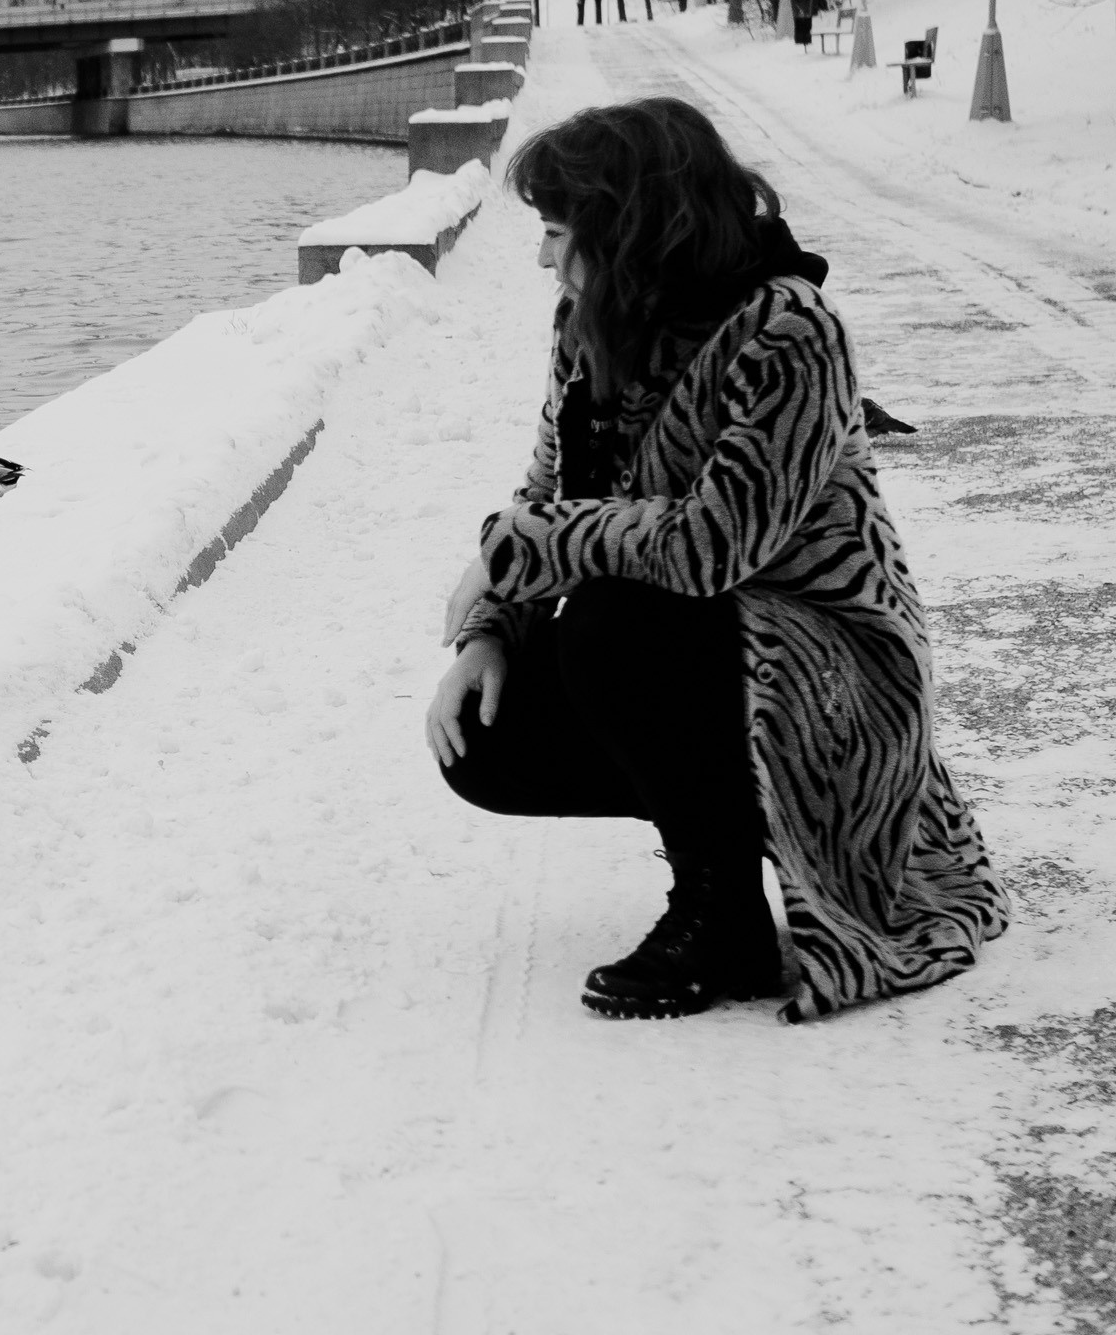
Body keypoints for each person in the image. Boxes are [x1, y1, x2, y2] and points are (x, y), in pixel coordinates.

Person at [426, 97, 1006, 1023]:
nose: (543, 259)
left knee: (618, 623)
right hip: (708, 653)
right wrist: (494, 630)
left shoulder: (788, 329)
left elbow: (712, 546)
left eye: (557, 233)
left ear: (631, 234)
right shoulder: (595, 323)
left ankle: (722, 917)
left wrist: (514, 553)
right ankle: (725, 841)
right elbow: (548, 492)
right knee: (488, 742)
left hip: (826, 666)